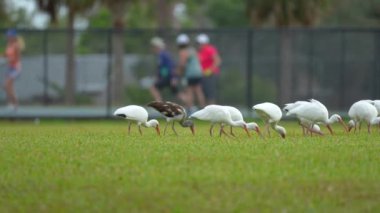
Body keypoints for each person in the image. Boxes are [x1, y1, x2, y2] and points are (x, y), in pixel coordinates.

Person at [175, 34, 205, 110]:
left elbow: (182, 64)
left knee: (190, 91)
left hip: (191, 74)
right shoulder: (192, 50)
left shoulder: (182, 52)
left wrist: (177, 73)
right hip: (198, 72)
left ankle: (190, 108)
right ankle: (203, 108)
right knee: (198, 90)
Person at [149, 37, 177, 101]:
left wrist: (173, 77)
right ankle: (189, 105)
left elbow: (170, 66)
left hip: (167, 77)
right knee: (176, 93)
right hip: (168, 77)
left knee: (153, 88)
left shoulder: (162, 55)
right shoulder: (164, 54)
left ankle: (159, 104)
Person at [196, 33, 221, 105]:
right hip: (203, 75)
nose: (198, 45)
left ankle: (212, 112)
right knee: (203, 94)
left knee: (210, 95)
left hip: (210, 75)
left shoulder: (209, 49)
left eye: (199, 43)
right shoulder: (200, 51)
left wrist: (209, 71)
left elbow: (218, 60)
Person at [1, 29, 23, 110]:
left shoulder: (16, 45)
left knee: (7, 85)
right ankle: (12, 104)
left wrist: (7, 60)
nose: (8, 37)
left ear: (14, 36)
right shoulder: (8, 45)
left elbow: (17, 58)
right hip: (9, 67)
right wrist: (2, 57)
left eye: (10, 36)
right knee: (8, 87)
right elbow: (5, 54)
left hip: (16, 68)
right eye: (8, 36)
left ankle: (15, 103)